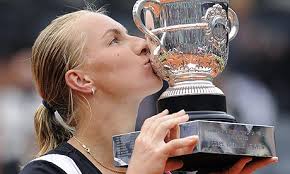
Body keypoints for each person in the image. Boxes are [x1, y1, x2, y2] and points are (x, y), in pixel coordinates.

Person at [19, 9, 278, 174]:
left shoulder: (171, 165)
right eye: (114, 40)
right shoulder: (49, 171)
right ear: (81, 80)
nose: (144, 43)